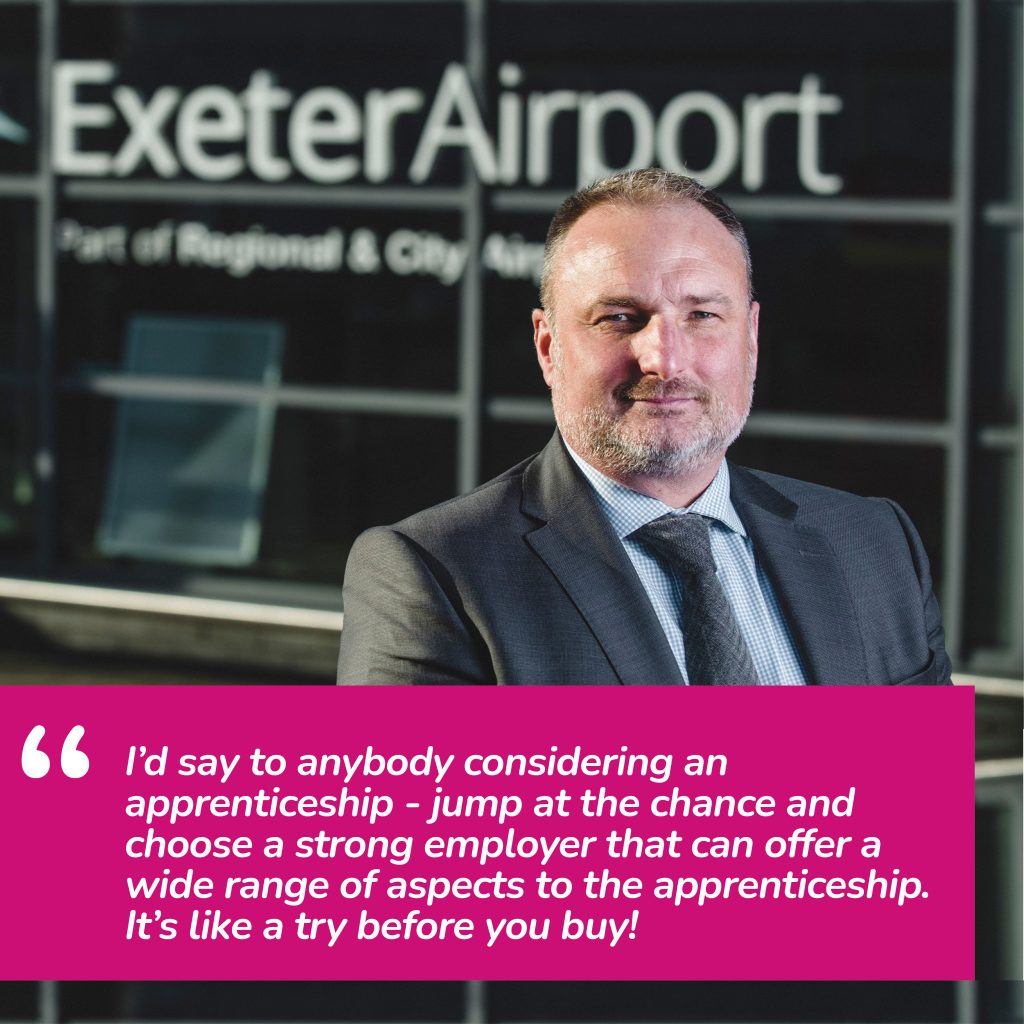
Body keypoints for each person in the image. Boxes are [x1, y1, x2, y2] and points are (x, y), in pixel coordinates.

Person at [337, 168, 951, 686]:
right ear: (548, 348)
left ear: (752, 339)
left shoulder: (877, 546)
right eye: (620, 318)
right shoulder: (433, 576)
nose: (664, 358)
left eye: (703, 314)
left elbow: (916, 820)